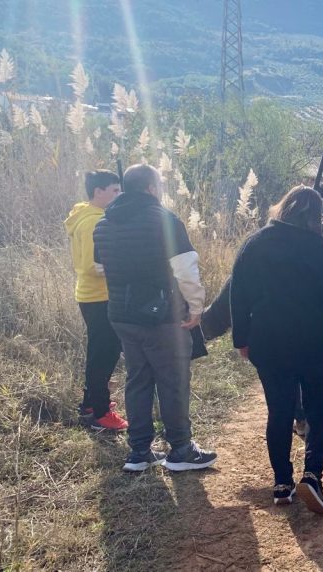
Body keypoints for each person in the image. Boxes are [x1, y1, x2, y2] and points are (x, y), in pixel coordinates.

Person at [230, 185, 323, 515]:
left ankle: (281, 483)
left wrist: (242, 339)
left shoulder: (255, 243)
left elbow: (238, 293)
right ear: (315, 216)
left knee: (279, 411)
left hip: (269, 343)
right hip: (318, 345)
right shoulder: (318, 250)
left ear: (283, 208)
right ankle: (312, 477)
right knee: (318, 412)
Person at [93, 164, 216, 472]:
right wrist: (196, 307)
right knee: (173, 381)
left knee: (138, 380)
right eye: (159, 184)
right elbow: (187, 271)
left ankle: (138, 452)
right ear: (150, 188)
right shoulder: (164, 220)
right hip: (161, 316)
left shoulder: (103, 225)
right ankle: (181, 450)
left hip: (121, 315)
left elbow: (100, 267)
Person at [64, 170, 128, 432]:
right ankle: (100, 414)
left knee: (101, 351)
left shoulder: (86, 216)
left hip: (91, 295)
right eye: (114, 190)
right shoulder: (94, 221)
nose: (119, 195)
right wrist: (124, 269)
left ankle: (91, 405)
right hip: (99, 296)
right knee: (105, 353)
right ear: (98, 192)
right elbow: (91, 264)